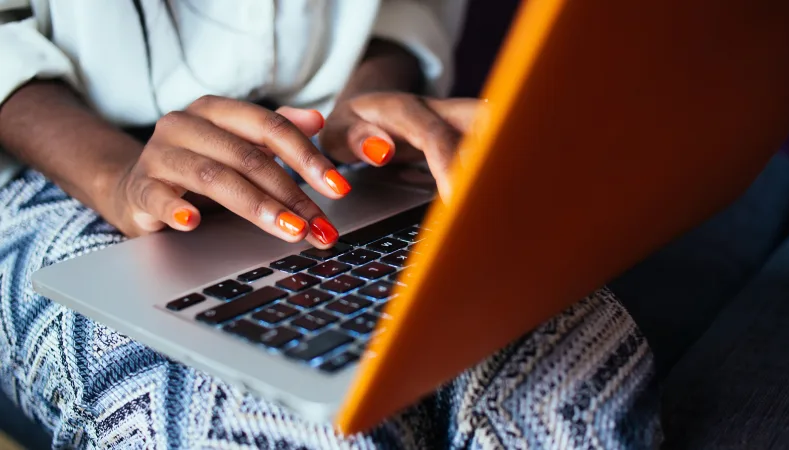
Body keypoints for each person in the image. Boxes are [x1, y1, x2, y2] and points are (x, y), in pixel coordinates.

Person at [0, 1, 658, 448]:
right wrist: (117, 178)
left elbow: (404, 9)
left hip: (323, 152)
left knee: (565, 404)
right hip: (65, 163)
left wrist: (355, 115)